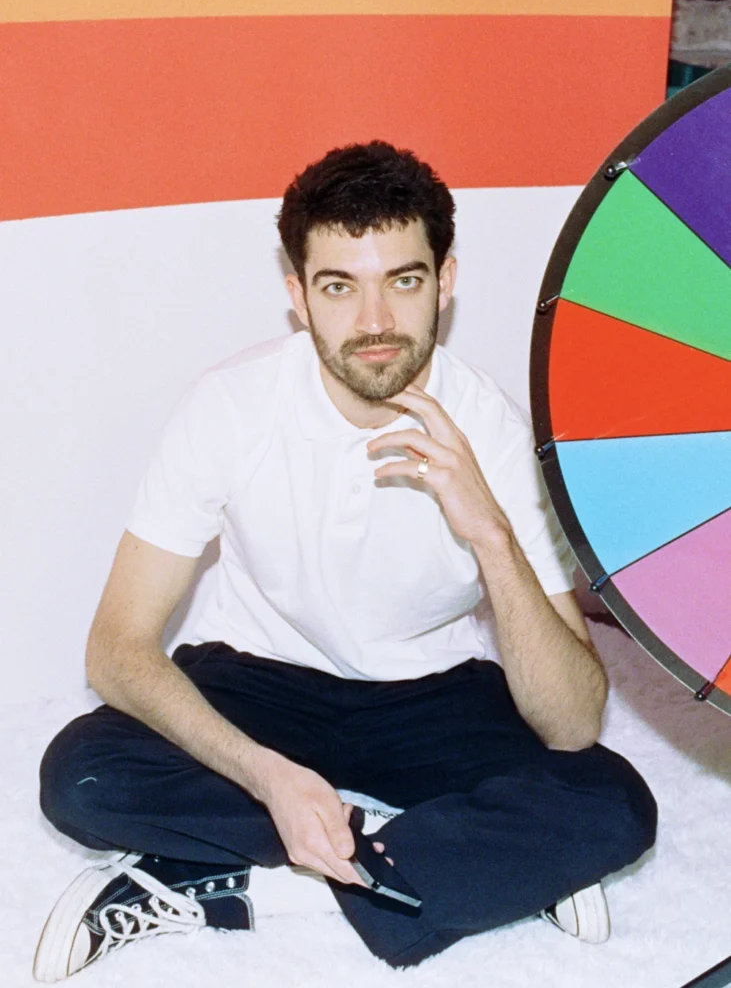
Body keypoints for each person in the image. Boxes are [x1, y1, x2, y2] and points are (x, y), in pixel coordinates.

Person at [34, 141, 657, 982]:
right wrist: (266, 777)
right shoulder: (229, 407)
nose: (373, 321)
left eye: (403, 280)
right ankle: (457, 868)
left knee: (612, 803)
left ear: (444, 282)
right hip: (261, 681)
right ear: (297, 297)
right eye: (338, 286)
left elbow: (572, 723)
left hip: (432, 695)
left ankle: (252, 890)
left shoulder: (497, 432)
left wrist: (490, 534)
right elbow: (116, 648)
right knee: (82, 773)